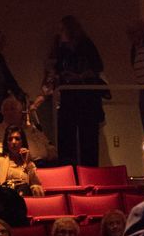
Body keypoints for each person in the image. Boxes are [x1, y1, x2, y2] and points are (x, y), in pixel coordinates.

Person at [45, 16, 106, 167]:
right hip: (70, 97)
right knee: (67, 137)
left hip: (86, 97)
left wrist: (78, 76)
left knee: (88, 138)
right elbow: (57, 69)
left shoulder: (86, 45)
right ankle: (69, 169)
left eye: (62, 29)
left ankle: (89, 170)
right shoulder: (62, 49)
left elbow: (97, 67)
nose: (60, 33)